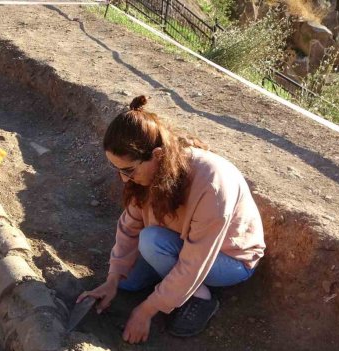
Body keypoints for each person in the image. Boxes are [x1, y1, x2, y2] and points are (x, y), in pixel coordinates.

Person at [78, 96, 265, 343]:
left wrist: (146, 310)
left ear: (155, 155)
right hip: (179, 243)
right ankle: (168, 284)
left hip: (228, 259)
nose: (124, 179)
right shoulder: (148, 175)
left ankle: (201, 297)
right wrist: (112, 280)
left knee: (152, 241)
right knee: (128, 282)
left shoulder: (212, 185)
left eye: (128, 171)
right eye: (118, 170)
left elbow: (196, 261)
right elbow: (129, 228)